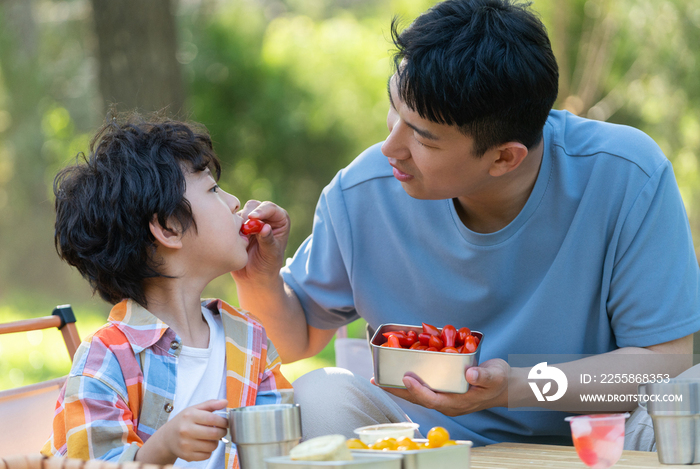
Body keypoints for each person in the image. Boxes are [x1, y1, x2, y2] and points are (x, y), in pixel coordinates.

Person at [232, 0, 700, 449]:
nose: (390, 149)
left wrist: (517, 387)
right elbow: (293, 338)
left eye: (422, 138)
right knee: (318, 395)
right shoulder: (362, 192)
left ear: (503, 157)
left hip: (599, 441)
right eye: (395, 109)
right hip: (420, 440)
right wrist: (260, 277)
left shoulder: (625, 175)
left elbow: (663, 365)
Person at [41, 114, 293, 469]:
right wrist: (162, 447)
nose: (235, 201)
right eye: (213, 190)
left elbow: (282, 450)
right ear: (169, 227)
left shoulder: (250, 339)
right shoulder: (105, 360)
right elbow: (94, 464)